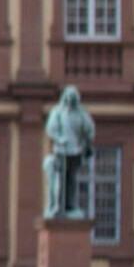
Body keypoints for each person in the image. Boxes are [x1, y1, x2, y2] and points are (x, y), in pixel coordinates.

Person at [42, 85, 95, 218]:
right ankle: (58, 206)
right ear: (64, 98)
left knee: (72, 179)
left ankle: (71, 205)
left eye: (73, 98)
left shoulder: (81, 113)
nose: (70, 100)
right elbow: (51, 129)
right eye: (68, 98)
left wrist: (87, 141)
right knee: (60, 178)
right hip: (61, 149)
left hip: (75, 150)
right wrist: (59, 138)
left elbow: (89, 129)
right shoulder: (58, 112)